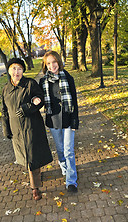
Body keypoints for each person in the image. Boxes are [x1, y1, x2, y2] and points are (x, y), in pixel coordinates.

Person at [1, 58, 53, 200]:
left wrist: (27, 108)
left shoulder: (30, 84)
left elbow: (40, 99)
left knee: (32, 156)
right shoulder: (6, 89)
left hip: (31, 127)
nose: (16, 72)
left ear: (23, 70)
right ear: (9, 70)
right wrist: (6, 128)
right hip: (16, 129)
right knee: (25, 157)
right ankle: (36, 177)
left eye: (19, 68)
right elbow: (4, 111)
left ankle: (35, 188)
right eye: (13, 68)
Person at [39, 51, 79, 193]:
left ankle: (71, 181)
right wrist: (34, 101)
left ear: (59, 61)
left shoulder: (68, 77)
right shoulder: (43, 81)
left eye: (54, 62)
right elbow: (38, 99)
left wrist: (75, 121)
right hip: (53, 120)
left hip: (68, 119)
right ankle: (64, 166)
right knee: (61, 150)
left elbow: (74, 100)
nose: (52, 65)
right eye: (48, 63)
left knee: (68, 150)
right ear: (45, 65)